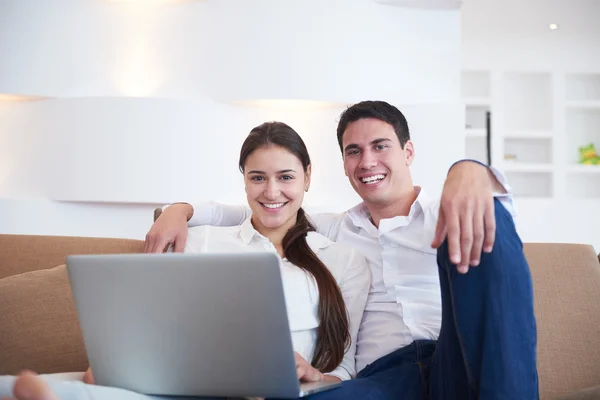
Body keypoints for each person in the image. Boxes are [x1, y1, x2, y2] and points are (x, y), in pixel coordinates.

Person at [144, 101, 539, 399]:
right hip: (387, 376)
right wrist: (180, 211)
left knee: (476, 213)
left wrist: (469, 169)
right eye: (354, 151)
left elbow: (499, 249)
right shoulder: (334, 228)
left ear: (408, 152)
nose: (367, 161)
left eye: (380, 146)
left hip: (460, 354)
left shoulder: (448, 209)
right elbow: (263, 207)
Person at [0, 122, 371, 400]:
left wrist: (312, 374)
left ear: (308, 176)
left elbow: (346, 369)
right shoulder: (202, 240)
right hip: (189, 381)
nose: (271, 192)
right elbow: (159, 322)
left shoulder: (343, 259)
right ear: (243, 181)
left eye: (285, 177)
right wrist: (128, 358)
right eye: (258, 178)